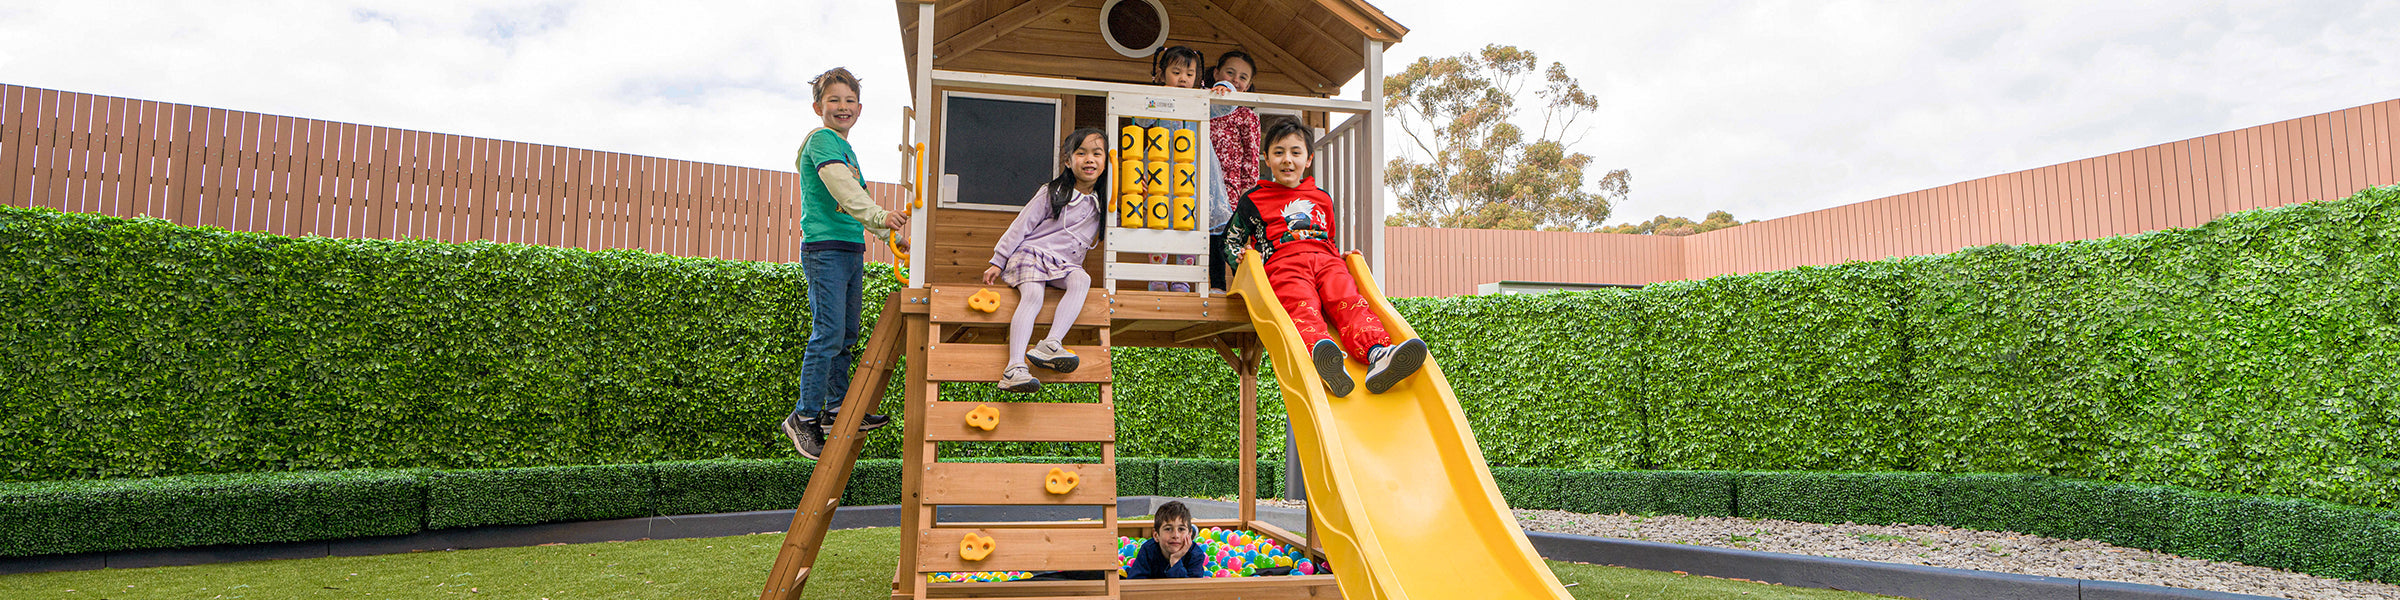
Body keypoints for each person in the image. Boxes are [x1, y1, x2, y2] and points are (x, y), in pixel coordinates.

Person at [1225, 119, 1428, 396]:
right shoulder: (1255, 198)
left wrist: (1343, 257)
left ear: (1308, 159)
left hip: (1327, 262)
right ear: (1266, 158)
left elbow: (1328, 236)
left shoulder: (1321, 197)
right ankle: (1324, 358)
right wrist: (1245, 262)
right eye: (1279, 152)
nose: (1288, 160)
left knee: (1349, 301)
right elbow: (1231, 240)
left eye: (1296, 153)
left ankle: (1378, 354)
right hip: (1284, 265)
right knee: (1301, 305)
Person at [784, 67, 909, 460]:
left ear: (859, 108)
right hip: (825, 249)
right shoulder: (822, 141)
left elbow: (856, 201)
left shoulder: (846, 149)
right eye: (834, 100)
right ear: (818, 106)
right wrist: (880, 217)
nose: (843, 107)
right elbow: (843, 189)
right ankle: (803, 417)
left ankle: (837, 412)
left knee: (846, 336)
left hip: (850, 248)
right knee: (828, 334)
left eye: (849, 100)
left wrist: (889, 235)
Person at [983, 129, 1110, 393]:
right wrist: (999, 259)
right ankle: (1015, 367)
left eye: (1097, 154)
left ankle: (1050, 344)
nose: (1090, 159)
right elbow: (1021, 225)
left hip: (1065, 266)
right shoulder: (1053, 192)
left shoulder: (1103, 202)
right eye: (1081, 153)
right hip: (1033, 254)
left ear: (1106, 161)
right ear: (1067, 161)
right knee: (1033, 296)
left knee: (1082, 279)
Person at [1138, 45, 1213, 293]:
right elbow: (1140, 119)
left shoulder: (1199, 101)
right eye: (1176, 72)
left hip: (1188, 173)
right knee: (1158, 222)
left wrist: (1227, 89)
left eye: (1189, 74)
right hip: (1160, 169)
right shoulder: (1159, 99)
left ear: (1197, 79)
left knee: (1186, 224)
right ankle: (1157, 278)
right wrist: (1158, 97)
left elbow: (1226, 106)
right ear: (1162, 75)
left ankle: (1182, 279)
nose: (1183, 79)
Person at [1204, 50, 1261, 293]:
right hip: (1197, 181)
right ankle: (1195, 283)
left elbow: (1252, 155)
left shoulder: (1246, 115)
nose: (1235, 80)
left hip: (1230, 186)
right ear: (1216, 73)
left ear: (1248, 86)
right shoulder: (1202, 104)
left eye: (1243, 77)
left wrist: (1249, 188)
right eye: (1230, 73)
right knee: (1199, 233)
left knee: (1224, 236)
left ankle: (1223, 285)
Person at [1127, 501, 1207, 578]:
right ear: (1156, 535)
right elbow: (1135, 582)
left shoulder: (1196, 555)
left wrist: (1175, 561)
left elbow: (1190, 589)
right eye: (1168, 529)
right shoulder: (1148, 550)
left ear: (1189, 534)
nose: (1175, 535)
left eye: (1181, 529)